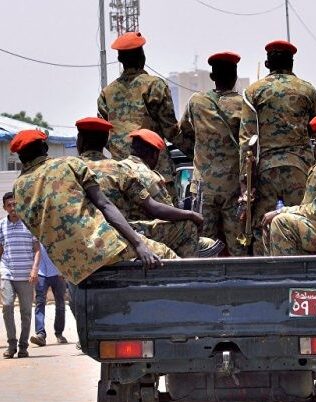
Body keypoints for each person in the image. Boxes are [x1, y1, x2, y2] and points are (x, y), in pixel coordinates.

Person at [10, 129, 175, 285]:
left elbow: (35, 228)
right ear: (45, 147)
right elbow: (105, 205)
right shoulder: (69, 164)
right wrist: (139, 244)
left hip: (72, 269)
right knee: (166, 253)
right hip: (104, 248)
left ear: (20, 157)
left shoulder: (18, 188)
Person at [76, 119, 221, 257]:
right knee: (188, 227)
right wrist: (190, 214)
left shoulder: (70, 168)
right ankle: (186, 272)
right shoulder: (121, 170)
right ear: (154, 154)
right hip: (123, 233)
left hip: (82, 234)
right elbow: (159, 209)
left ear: (79, 141)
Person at [240, 40, 316, 255]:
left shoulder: (253, 91)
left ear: (267, 64)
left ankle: (263, 271)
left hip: (266, 170)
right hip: (300, 168)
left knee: (262, 228)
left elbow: (247, 138)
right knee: (301, 222)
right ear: (292, 63)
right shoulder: (308, 90)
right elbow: (314, 132)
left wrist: (245, 181)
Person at [178, 52, 245, 256]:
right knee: (238, 246)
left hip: (203, 186)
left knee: (204, 246)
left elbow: (183, 134)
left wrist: (200, 154)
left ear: (212, 77)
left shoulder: (197, 102)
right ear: (235, 76)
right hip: (234, 187)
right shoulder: (244, 104)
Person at [97, 32, 182, 185]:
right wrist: (195, 151)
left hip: (122, 175)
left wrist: (122, 152)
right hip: (155, 172)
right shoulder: (155, 85)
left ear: (120, 59)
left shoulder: (107, 93)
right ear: (142, 57)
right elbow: (171, 130)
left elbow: (102, 136)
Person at [1, 192, 40, 359]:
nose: (12, 208)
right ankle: (12, 345)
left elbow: (37, 249)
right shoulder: (1, 225)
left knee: (26, 312)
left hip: (26, 276)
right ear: (4, 208)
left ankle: (23, 346)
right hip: (8, 273)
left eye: (15, 204)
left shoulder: (29, 224)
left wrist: (34, 269)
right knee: (7, 306)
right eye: (9, 205)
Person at [29, 245, 67, 347]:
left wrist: (64, 270)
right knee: (40, 303)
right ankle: (40, 334)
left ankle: (59, 333)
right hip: (41, 273)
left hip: (58, 274)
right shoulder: (35, 237)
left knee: (60, 305)